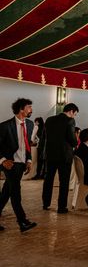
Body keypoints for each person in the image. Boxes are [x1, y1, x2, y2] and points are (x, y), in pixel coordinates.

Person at [0, 98, 37, 232]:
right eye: (29, 107)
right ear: (21, 109)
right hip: (10, 164)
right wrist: (3, 160)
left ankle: (22, 221)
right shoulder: (5, 126)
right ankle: (22, 222)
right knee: (15, 191)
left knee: (6, 192)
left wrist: (28, 160)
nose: (31, 109)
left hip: (21, 164)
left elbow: (27, 145)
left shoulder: (30, 124)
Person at [43, 103, 79, 214]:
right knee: (64, 182)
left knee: (48, 179)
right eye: (75, 114)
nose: (74, 116)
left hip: (50, 154)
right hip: (64, 156)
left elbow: (45, 136)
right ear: (71, 111)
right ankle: (61, 207)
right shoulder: (70, 121)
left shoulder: (49, 120)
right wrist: (76, 138)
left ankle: (46, 203)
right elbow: (72, 140)